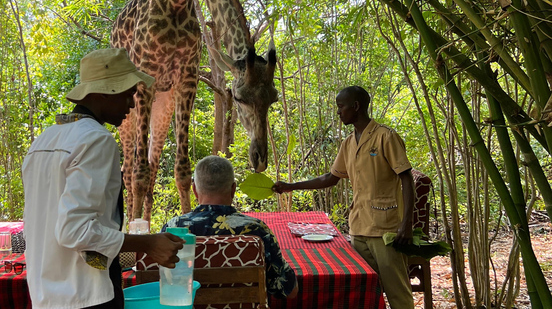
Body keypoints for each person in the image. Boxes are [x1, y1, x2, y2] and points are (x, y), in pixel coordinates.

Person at [22, 48, 184, 309]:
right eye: (127, 92)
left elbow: (42, 222)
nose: (131, 104)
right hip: (87, 295)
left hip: (45, 294)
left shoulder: (43, 141)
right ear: (102, 93)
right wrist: (147, 243)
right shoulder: (96, 139)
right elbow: (73, 230)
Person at [273, 85, 414, 309]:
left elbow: (406, 178)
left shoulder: (385, 137)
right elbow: (331, 178)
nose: (338, 112)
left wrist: (406, 224)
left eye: (341, 107)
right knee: (363, 291)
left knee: (397, 294)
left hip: (385, 228)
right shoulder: (348, 143)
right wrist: (291, 186)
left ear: (356, 107)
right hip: (358, 226)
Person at [162, 155, 298, 300]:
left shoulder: (173, 229)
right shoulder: (256, 230)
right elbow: (288, 291)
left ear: (194, 189)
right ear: (233, 189)